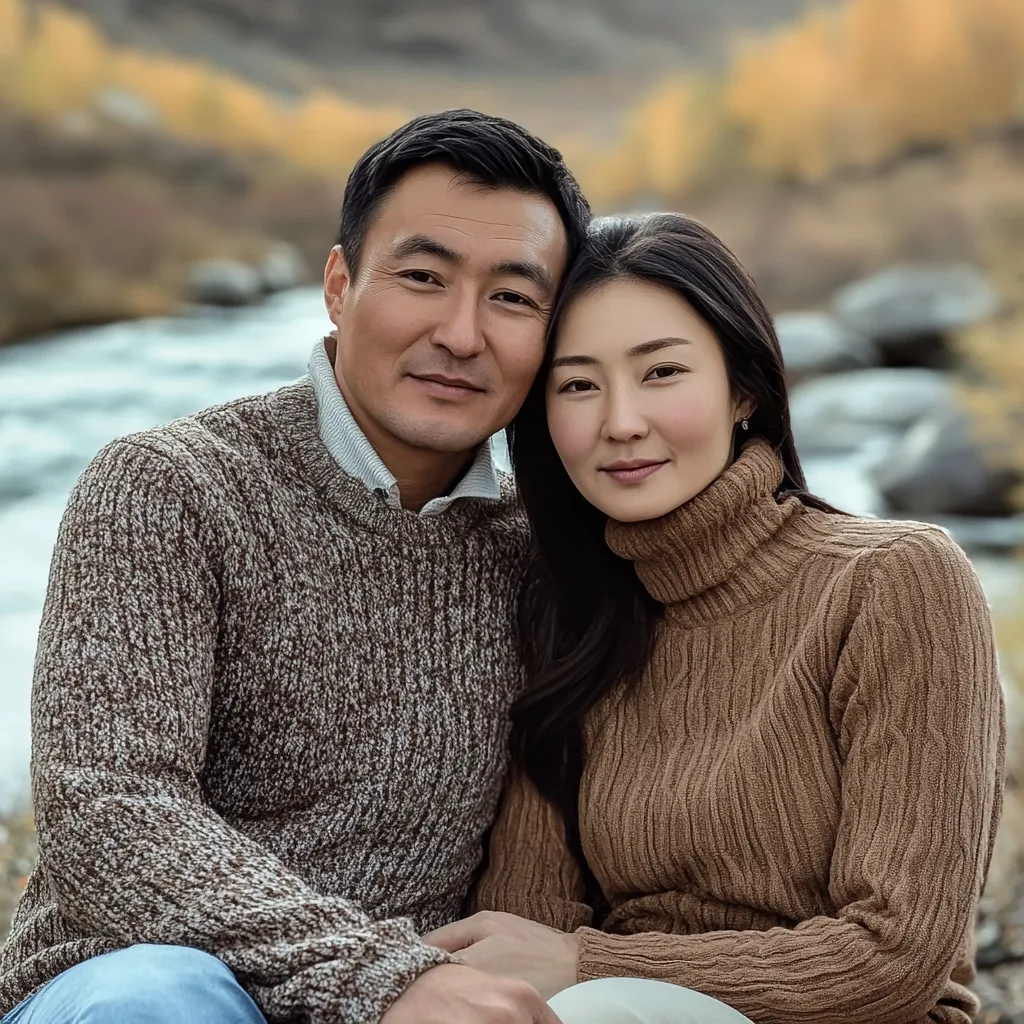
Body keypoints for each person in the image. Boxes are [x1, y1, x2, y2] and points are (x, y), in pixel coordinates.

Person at [0, 109, 591, 1024]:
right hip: (142, 988)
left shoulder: (538, 551)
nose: (462, 333)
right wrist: (380, 978)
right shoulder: (168, 487)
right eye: (423, 277)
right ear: (339, 285)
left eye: (512, 297)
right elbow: (110, 811)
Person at [425, 213, 1007, 1024]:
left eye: (661, 372)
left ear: (744, 390)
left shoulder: (893, 581)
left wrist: (592, 963)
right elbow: (528, 931)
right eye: (578, 385)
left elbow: (894, 956)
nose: (621, 422)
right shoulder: (568, 616)